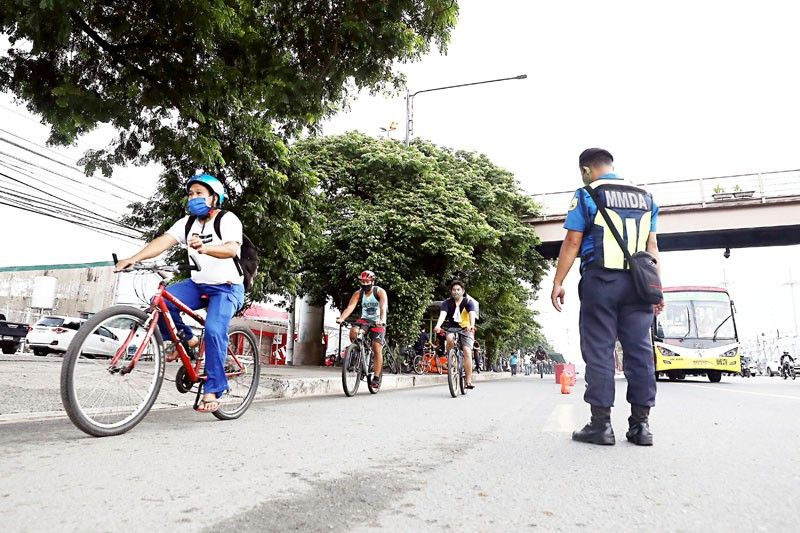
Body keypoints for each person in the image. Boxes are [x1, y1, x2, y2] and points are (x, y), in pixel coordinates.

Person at [551, 148, 664, 446]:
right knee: (639, 352)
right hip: (640, 285)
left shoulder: (587, 193)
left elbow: (573, 240)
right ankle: (641, 426)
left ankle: (600, 425)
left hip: (601, 280)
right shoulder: (646, 198)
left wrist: (558, 280)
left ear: (587, 170)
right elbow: (652, 246)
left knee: (599, 350)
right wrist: (657, 287)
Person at [115, 174, 245, 413]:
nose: (193, 197)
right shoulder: (186, 224)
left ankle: (214, 388)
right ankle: (187, 338)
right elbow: (163, 241)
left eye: (199, 193)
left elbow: (231, 249)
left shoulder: (228, 219)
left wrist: (206, 248)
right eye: (191, 193)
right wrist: (133, 259)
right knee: (161, 300)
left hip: (227, 287)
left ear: (214, 198)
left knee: (215, 329)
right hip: (198, 284)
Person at [336, 271, 388, 390]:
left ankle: (376, 377)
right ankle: (358, 351)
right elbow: (350, 307)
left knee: (376, 347)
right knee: (353, 331)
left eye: (367, 282)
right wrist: (342, 318)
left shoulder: (379, 291)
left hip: (378, 321)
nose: (364, 284)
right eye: (362, 282)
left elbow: (383, 307)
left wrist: (382, 319)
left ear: (372, 282)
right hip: (365, 320)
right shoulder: (358, 293)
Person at [433, 279, 477, 388]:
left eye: (458, 289)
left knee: (467, 351)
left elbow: (472, 314)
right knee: (449, 338)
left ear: (462, 291)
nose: (456, 291)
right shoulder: (447, 303)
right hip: (452, 328)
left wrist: (471, 325)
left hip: (466, 328)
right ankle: (451, 356)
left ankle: (468, 381)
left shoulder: (468, 302)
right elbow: (442, 315)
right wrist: (438, 326)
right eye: (454, 290)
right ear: (451, 291)